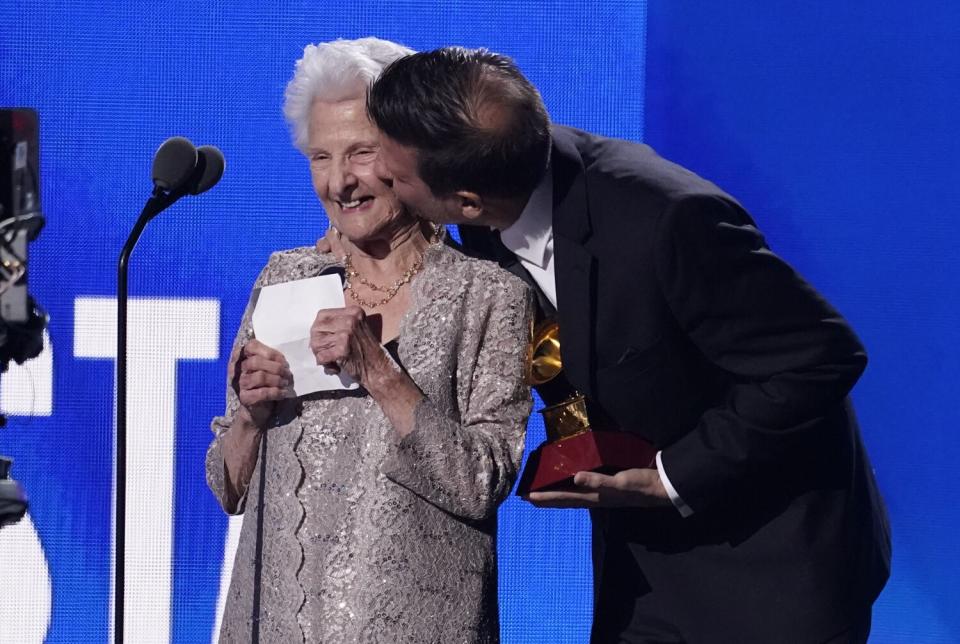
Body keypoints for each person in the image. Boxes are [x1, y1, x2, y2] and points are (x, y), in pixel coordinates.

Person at [349, 46, 892, 644]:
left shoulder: (668, 220)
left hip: (771, 561)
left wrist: (671, 477)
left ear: (468, 202)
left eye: (395, 176)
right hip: (639, 562)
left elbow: (820, 357)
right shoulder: (488, 205)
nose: (377, 179)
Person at [205, 38, 533, 643]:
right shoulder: (285, 277)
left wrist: (381, 375)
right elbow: (230, 488)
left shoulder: (488, 296)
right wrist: (249, 419)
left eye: (360, 153)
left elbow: (481, 484)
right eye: (319, 157)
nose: (339, 183)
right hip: (276, 625)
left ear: (408, 156)